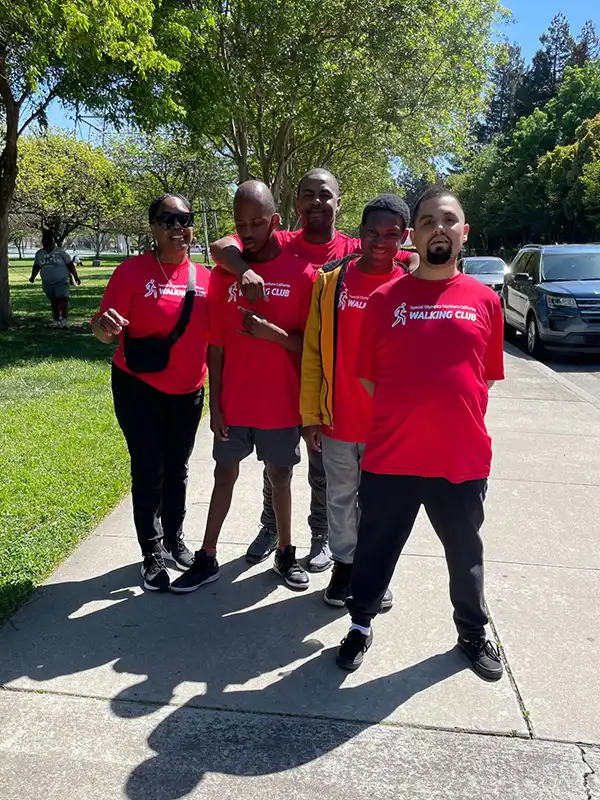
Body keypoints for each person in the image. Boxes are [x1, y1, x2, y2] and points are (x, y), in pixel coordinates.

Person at [210, 169, 418, 574]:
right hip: (282, 381)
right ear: (296, 204)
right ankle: (271, 529)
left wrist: (411, 262)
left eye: (325, 194)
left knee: (324, 472)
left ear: (339, 202)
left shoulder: (354, 246)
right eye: (307, 194)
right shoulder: (282, 240)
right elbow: (222, 246)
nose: (316, 202)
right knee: (278, 468)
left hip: (328, 379)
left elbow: (402, 253)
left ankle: (321, 535)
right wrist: (243, 270)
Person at [336, 186, 505, 683]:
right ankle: (360, 625)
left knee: (465, 553)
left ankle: (472, 632)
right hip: (392, 456)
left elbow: (486, 375)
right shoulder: (385, 300)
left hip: (461, 457)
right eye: (428, 221)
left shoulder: (485, 300)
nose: (439, 228)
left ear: (464, 232)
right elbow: (369, 376)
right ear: (414, 234)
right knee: (375, 549)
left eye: (448, 220)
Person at [171, 181, 315, 593]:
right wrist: (216, 406)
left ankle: (285, 552)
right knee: (224, 474)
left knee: (281, 476)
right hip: (234, 402)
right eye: (241, 224)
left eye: (257, 222)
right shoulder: (223, 276)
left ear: (276, 221)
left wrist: (272, 334)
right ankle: (207, 556)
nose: (248, 231)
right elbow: (215, 346)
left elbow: (310, 347)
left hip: (280, 402)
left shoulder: (303, 275)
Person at [92, 194, 211, 592]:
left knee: (177, 467)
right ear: (154, 228)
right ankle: (151, 551)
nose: (178, 227)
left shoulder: (205, 277)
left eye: (184, 219)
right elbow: (101, 328)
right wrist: (104, 326)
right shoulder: (131, 271)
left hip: (189, 389)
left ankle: (174, 539)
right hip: (138, 386)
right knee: (148, 469)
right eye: (167, 220)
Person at [301, 194, 412, 610]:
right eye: (372, 232)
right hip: (339, 417)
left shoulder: (411, 284)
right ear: (359, 232)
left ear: (404, 236)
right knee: (341, 498)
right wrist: (310, 414)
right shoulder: (332, 282)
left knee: (381, 505)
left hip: (389, 425)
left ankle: (374, 572)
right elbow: (313, 351)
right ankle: (345, 566)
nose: (380, 241)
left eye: (391, 234)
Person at [29, 231, 80, 328]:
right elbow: (36, 266)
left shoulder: (61, 252)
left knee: (63, 299)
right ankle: (56, 320)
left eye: (49, 242)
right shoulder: (39, 254)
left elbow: (70, 265)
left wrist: (75, 277)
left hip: (62, 281)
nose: (47, 245)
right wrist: (32, 277)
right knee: (54, 300)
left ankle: (64, 320)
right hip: (48, 283)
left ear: (53, 242)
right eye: (45, 242)